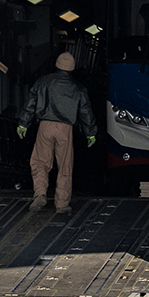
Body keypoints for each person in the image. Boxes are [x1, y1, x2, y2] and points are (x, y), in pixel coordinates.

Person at [17, 52, 96, 211]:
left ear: (57, 65)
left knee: (40, 162)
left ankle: (39, 195)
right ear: (72, 69)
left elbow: (31, 102)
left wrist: (23, 123)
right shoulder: (78, 88)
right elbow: (85, 111)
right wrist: (91, 132)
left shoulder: (44, 82)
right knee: (65, 166)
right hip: (65, 129)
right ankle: (61, 204)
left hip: (45, 126)